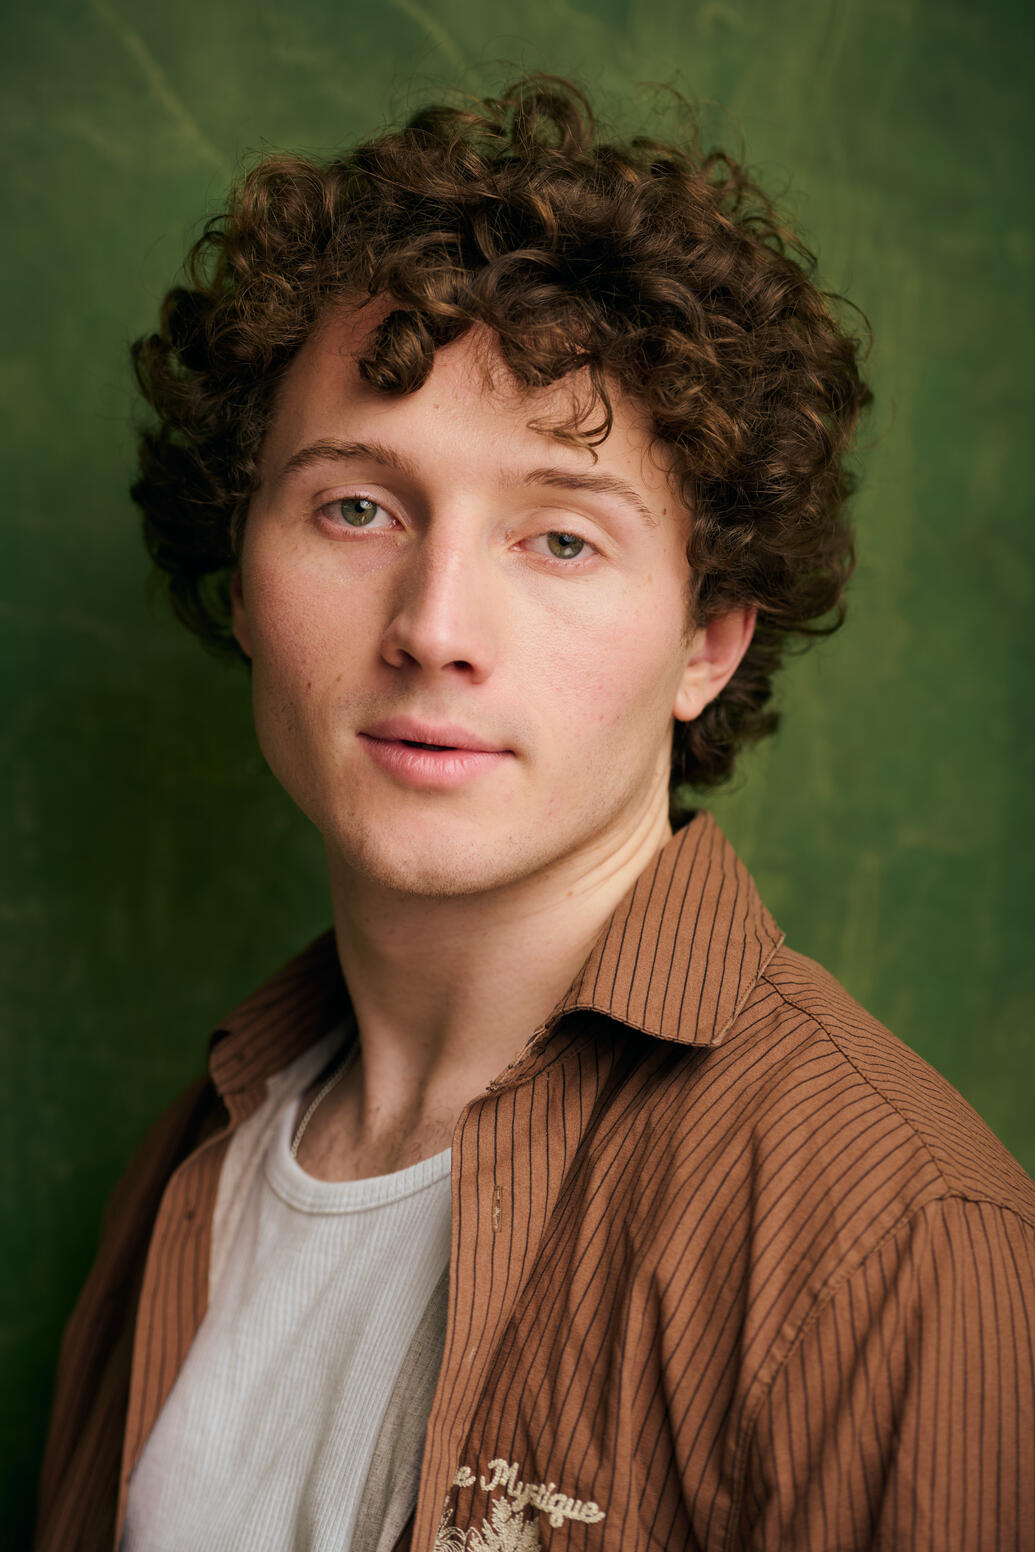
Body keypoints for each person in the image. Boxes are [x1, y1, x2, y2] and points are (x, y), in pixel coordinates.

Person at [36, 75, 1034, 1552]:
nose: (435, 628)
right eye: (357, 508)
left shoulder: (894, 1244)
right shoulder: (191, 1166)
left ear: (708, 640)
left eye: (560, 538)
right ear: (242, 578)